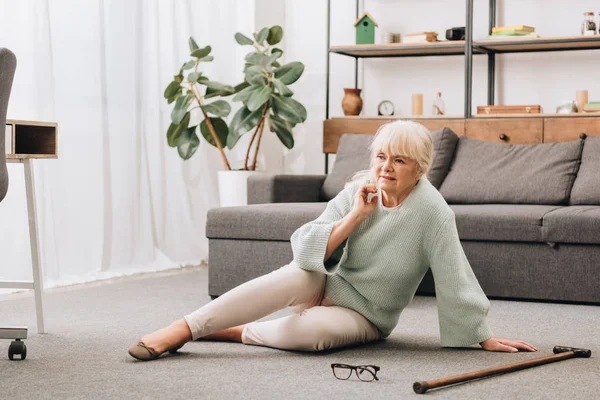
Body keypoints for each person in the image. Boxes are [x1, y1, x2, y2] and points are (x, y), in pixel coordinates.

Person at [128, 120, 537, 361]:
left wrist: (480, 334)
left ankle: (239, 331)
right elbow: (305, 248)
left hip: (365, 315)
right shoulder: (360, 189)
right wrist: (356, 216)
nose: (385, 167)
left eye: (399, 160)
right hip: (325, 282)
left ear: (420, 169)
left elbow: (455, 276)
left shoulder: (433, 214)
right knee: (296, 275)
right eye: (380, 156)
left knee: (314, 335)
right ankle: (185, 328)